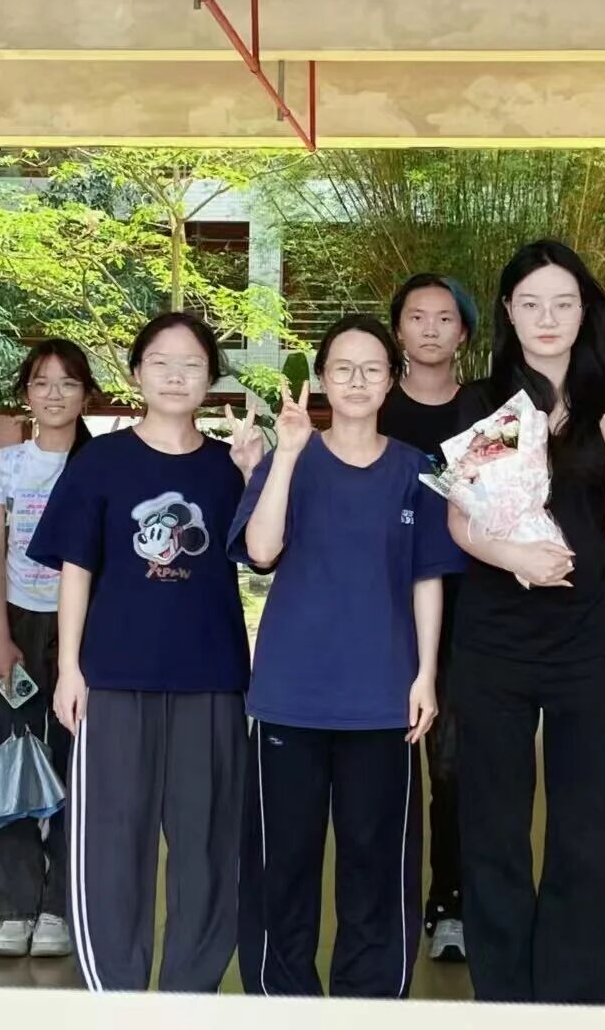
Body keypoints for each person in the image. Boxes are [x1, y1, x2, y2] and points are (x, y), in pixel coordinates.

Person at [29, 312, 263, 992]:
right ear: (136, 374)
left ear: (210, 379)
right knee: (112, 844)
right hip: (114, 678)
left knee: (208, 847)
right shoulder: (100, 462)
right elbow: (75, 569)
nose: (175, 376)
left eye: (192, 364)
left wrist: (256, 475)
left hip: (212, 680)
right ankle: (117, 994)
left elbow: (264, 554)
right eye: (160, 362)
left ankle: (190, 993)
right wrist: (69, 669)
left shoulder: (229, 467)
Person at [232, 315, 464, 998]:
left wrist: (425, 675)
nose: (357, 381)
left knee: (376, 861)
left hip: (383, 698)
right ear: (323, 379)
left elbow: (427, 580)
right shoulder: (289, 460)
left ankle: (371, 1001)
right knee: (284, 862)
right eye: (342, 368)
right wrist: (287, 455)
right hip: (291, 697)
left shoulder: (417, 471)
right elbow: (262, 551)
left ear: (392, 380)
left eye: (371, 369)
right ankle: (283, 1000)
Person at [447, 240, 605, 1004]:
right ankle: (504, 998)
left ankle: (573, 1001)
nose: (547, 318)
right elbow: (460, 521)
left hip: (592, 645)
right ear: (508, 312)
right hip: (495, 643)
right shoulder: (486, 403)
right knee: (493, 829)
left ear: (584, 309)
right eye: (530, 304)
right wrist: (513, 557)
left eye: (563, 303)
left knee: (585, 834)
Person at [0, 338, 99, 960]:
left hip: (89, 628)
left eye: (68, 383)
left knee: (81, 767)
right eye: (42, 382)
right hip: (19, 625)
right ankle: (14, 907)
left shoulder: (101, 463)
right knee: (12, 763)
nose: (54, 394)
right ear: (25, 392)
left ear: (87, 395)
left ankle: (59, 906)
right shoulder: (5, 466)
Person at [377, 272, 479, 962]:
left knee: (455, 765)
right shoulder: (374, 409)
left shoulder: (486, 409)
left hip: (470, 605)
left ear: (464, 333)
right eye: (418, 316)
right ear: (399, 331)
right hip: (382, 604)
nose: (432, 328)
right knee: (384, 762)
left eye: (445, 318)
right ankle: (388, 903)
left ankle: (451, 903)